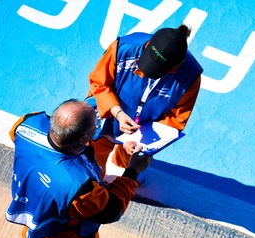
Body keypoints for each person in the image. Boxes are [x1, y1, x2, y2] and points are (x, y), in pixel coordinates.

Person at [6, 99, 152, 238]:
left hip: (30, 200)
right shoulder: (79, 187)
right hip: (61, 223)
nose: (98, 126)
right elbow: (111, 210)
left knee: (35, 226)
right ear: (84, 138)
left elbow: (15, 137)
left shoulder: (27, 122)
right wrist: (132, 173)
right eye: (96, 125)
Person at [87, 24, 203, 177]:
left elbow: (175, 119)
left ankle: (122, 166)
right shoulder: (122, 48)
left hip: (144, 125)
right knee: (92, 163)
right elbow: (100, 83)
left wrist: (140, 141)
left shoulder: (190, 77)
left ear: (174, 67)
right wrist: (118, 113)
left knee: (132, 161)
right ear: (148, 45)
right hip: (107, 110)